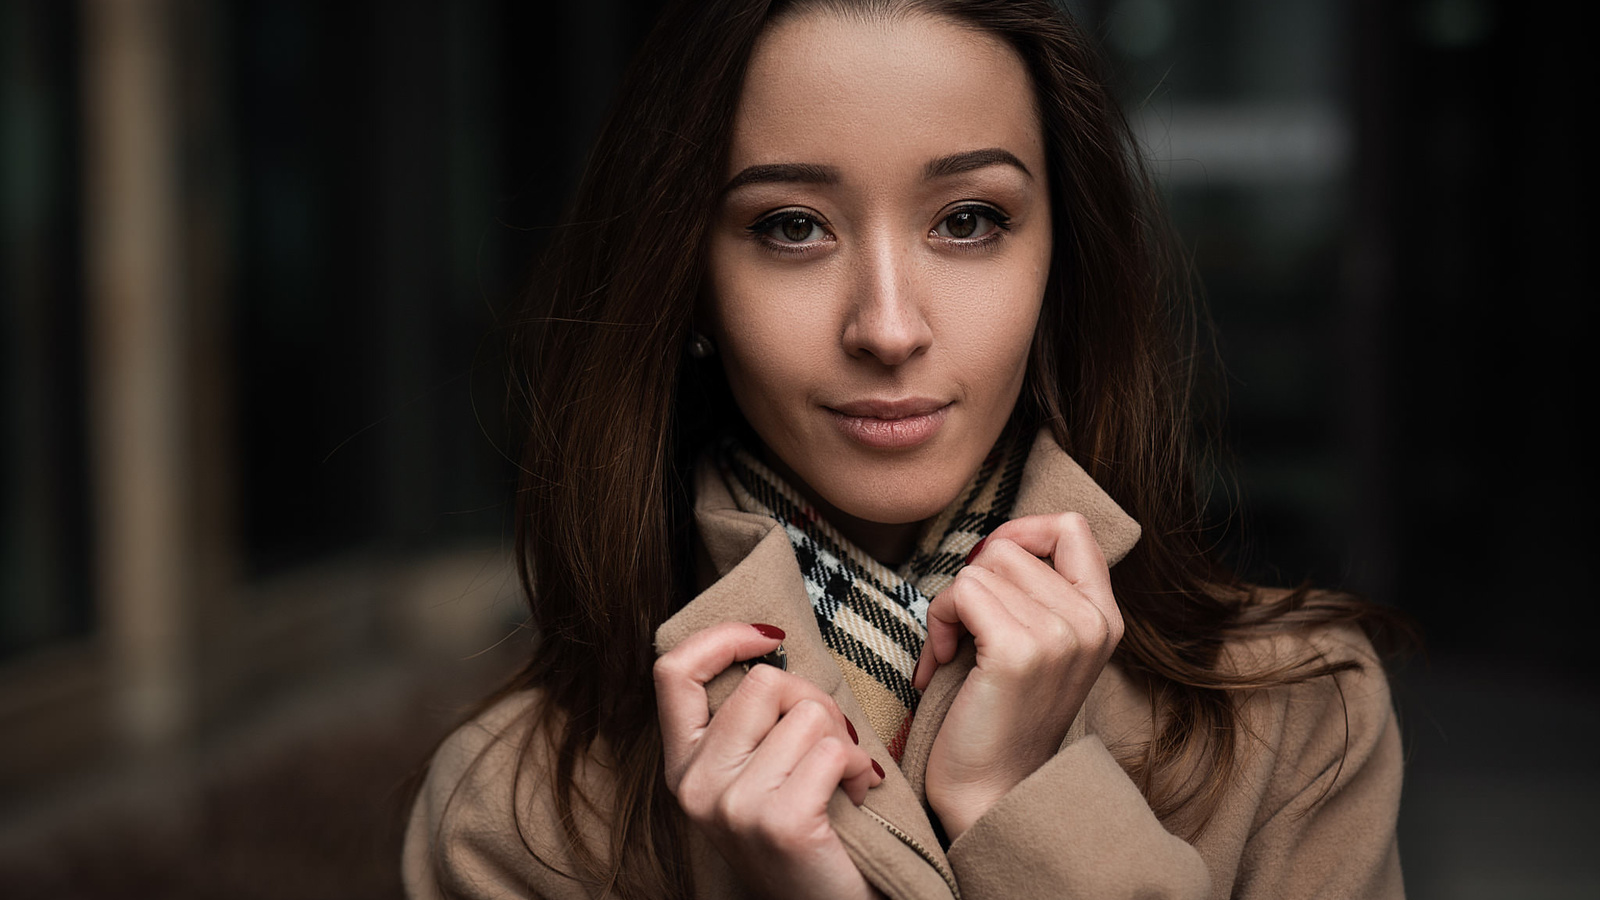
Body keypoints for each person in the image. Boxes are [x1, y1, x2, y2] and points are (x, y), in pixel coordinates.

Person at [403, 0, 1406, 897]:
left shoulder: (1298, 719)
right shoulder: (520, 817)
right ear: (691, 282)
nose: (886, 327)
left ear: (1060, 259)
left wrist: (1020, 807)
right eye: (792, 226)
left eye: (968, 221)